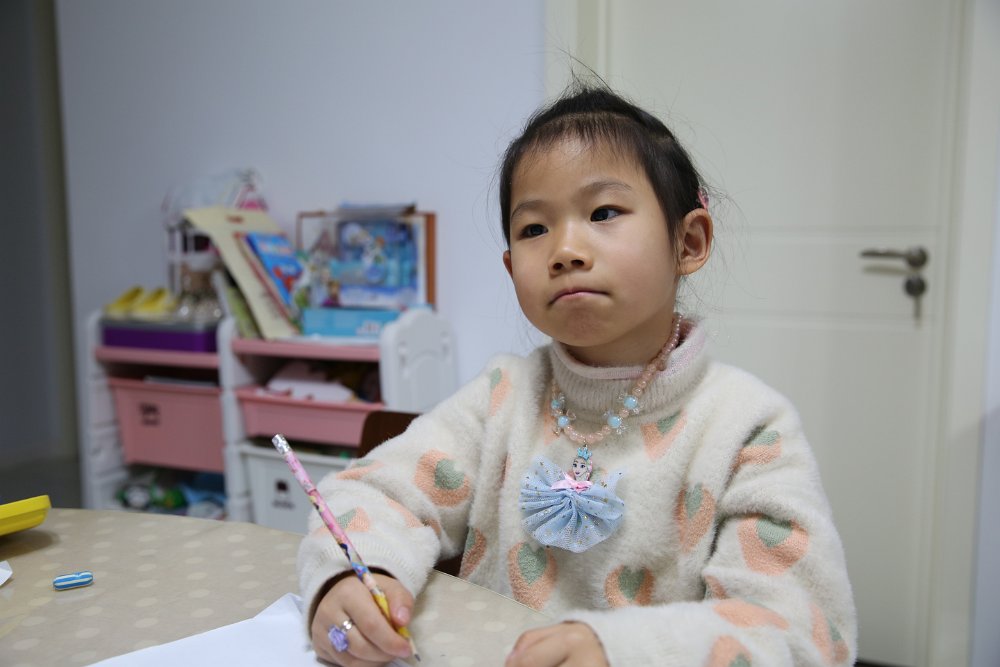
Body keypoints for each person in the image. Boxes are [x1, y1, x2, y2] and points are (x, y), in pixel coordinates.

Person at [298, 82, 857, 666]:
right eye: (534, 229)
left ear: (688, 242)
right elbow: (374, 494)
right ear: (511, 268)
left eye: (604, 213)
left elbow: (802, 630)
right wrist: (353, 575)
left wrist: (622, 651)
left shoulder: (749, 428)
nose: (565, 250)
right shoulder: (501, 396)